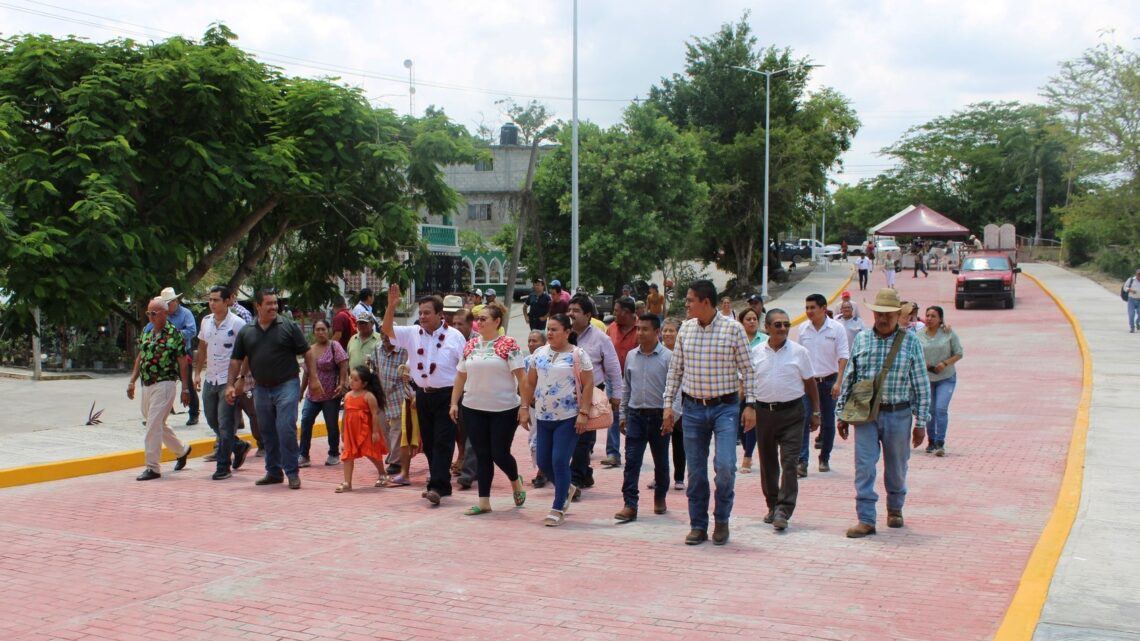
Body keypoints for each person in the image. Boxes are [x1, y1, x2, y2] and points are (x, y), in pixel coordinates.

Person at [663, 280, 757, 546]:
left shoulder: (733, 329)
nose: (687, 305)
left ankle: (722, 520)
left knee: (726, 466)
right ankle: (698, 525)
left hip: (725, 408)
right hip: (692, 409)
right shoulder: (686, 331)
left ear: (705, 302)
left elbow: (749, 370)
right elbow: (675, 371)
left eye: (690, 300)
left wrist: (751, 405)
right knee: (696, 471)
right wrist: (668, 405)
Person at [836, 288, 931, 538]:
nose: (883, 318)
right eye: (879, 313)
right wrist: (842, 414)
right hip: (865, 415)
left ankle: (895, 508)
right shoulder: (863, 339)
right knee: (864, 466)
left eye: (889, 314)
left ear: (899, 314)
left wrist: (921, 422)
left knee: (897, 467)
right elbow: (850, 377)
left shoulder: (910, 342)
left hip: (898, 414)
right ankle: (866, 518)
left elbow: (921, 383)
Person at [226, 289, 323, 490]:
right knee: (267, 430)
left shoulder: (288, 326)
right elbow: (238, 359)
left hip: (287, 384)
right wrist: (235, 382)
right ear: (258, 306)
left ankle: (292, 472)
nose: (274, 307)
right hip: (261, 387)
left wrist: (313, 379)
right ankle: (273, 472)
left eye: (275, 303)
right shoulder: (247, 331)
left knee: (285, 428)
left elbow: (307, 353)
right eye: (269, 303)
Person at [381, 284, 466, 506]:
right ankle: (443, 483)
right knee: (428, 443)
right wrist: (391, 306)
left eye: (427, 312)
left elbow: (464, 368)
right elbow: (387, 330)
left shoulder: (455, 336)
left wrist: (458, 400)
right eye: (420, 313)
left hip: (448, 395)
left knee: (443, 441)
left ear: (440, 315)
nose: (422, 316)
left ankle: (436, 486)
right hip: (423, 395)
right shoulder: (412, 333)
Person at [449, 302, 529, 515]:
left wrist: (524, 407)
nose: (479, 322)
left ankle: (515, 481)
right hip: (473, 408)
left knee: (499, 453)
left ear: (496, 321)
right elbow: (460, 375)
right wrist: (454, 402)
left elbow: (522, 378)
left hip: (504, 409)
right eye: (478, 319)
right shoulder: (471, 345)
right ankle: (484, 501)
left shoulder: (508, 344)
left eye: (484, 319)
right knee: (482, 455)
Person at [750, 309, 820, 530]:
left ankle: (784, 510)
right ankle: (772, 505)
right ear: (767, 328)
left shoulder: (800, 352)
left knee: (789, 462)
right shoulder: (755, 352)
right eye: (778, 325)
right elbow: (747, 384)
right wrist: (746, 409)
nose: (783, 329)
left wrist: (816, 412)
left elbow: (810, 384)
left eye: (786, 325)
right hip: (764, 414)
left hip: (792, 414)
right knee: (768, 463)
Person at [524, 313, 592, 526]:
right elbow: (529, 383)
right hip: (543, 417)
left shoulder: (578, 355)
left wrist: (583, 413)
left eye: (554, 329)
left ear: (567, 332)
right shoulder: (539, 354)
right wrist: (524, 407)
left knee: (560, 460)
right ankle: (567, 488)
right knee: (544, 461)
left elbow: (589, 384)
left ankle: (558, 505)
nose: (550, 333)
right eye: (548, 329)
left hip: (568, 417)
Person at [614, 314, 672, 522]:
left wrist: (671, 414)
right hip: (636, 415)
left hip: (659, 416)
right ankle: (630, 504)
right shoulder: (631, 356)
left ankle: (660, 496)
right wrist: (623, 414)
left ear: (657, 332)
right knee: (632, 461)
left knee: (661, 461)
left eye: (644, 329)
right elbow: (626, 386)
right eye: (638, 329)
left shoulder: (668, 357)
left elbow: (675, 390)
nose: (639, 333)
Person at [127, 297, 193, 480]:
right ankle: (182, 450)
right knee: (156, 423)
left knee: (152, 425)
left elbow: (182, 362)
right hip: (147, 384)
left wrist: (185, 389)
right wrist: (132, 380)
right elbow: (140, 357)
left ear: (165, 313)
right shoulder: (147, 332)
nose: (150, 317)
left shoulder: (174, 334)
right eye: (148, 313)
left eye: (154, 313)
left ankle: (153, 467)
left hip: (165, 383)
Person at [566, 295, 623, 497]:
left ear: (588, 315)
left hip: (591, 393)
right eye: (569, 309)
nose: (571, 314)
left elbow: (614, 369)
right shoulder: (563, 334)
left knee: (583, 438)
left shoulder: (601, 339)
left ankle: (575, 480)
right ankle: (586, 472)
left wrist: (616, 395)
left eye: (576, 310)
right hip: (565, 394)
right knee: (567, 438)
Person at [193, 285, 251, 480]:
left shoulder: (238, 324)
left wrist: (241, 379)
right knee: (211, 419)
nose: (212, 304)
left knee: (225, 423)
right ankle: (238, 445)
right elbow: (202, 348)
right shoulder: (206, 322)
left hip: (228, 381)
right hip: (211, 377)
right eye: (210, 300)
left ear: (227, 301)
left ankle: (222, 466)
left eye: (216, 300)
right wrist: (197, 374)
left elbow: (246, 354)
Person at [794, 293, 849, 476]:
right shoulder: (802, 329)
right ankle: (802, 461)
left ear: (823, 308)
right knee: (804, 420)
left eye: (813, 308)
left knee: (827, 422)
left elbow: (843, 357)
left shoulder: (836, 329)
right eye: (807, 308)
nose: (809, 311)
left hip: (829, 382)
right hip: (808, 384)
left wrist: (839, 383)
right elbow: (798, 357)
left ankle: (824, 456)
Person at [298, 318, 347, 468]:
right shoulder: (310, 349)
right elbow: (306, 373)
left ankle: (333, 453)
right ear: (313, 332)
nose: (320, 332)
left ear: (328, 330)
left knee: (331, 425)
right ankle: (303, 455)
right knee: (306, 421)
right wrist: (300, 393)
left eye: (323, 329)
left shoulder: (335, 346)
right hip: (312, 395)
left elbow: (343, 365)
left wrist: (342, 384)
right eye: (318, 330)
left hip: (330, 394)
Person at [335, 366, 390, 493]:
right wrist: (342, 431)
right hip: (351, 432)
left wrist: (375, 432)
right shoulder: (348, 396)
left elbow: (375, 414)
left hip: (366, 430)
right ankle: (347, 482)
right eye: (351, 378)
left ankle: (382, 473)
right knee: (347, 455)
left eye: (355, 380)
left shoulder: (369, 396)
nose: (351, 381)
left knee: (371, 453)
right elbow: (345, 415)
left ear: (364, 383)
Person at [917, 306, 963, 456]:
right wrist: (924, 364)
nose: (929, 318)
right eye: (927, 315)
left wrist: (945, 363)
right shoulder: (919, 335)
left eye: (933, 316)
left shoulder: (948, 333)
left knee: (940, 409)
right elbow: (914, 354)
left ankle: (940, 442)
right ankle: (931, 441)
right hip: (927, 379)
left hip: (946, 377)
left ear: (940, 319)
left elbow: (959, 353)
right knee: (929, 410)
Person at [601, 297, 639, 469]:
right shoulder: (611, 329)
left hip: (635, 380)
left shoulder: (641, 329)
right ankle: (613, 453)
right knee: (613, 415)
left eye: (617, 310)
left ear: (627, 312)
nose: (614, 313)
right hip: (614, 379)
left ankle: (632, 451)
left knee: (632, 415)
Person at [157, 287, 200, 425]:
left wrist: (173, 335)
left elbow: (192, 331)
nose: (167, 307)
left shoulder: (186, 313)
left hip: (182, 353)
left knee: (187, 383)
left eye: (169, 303)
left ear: (176, 301)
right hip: (165, 355)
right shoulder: (162, 314)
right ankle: (158, 415)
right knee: (162, 384)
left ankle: (194, 413)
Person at [371, 332, 409, 478]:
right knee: (383, 428)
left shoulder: (404, 349)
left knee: (398, 428)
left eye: (389, 336)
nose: (385, 339)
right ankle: (393, 455)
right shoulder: (378, 348)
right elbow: (374, 368)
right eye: (383, 335)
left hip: (399, 394)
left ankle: (396, 461)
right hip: (382, 395)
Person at [736, 307, 767, 474]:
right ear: (742, 323)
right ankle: (746, 449)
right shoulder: (736, 340)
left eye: (754, 318)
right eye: (748, 319)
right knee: (740, 423)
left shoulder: (765, 340)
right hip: (737, 386)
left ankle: (747, 456)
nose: (752, 321)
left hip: (758, 387)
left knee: (752, 421)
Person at [660, 318, 685, 491]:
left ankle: (679, 477)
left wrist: (675, 409)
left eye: (671, 331)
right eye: (665, 330)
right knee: (659, 445)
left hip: (680, 405)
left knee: (679, 442)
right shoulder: (658, 352)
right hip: (659, 405)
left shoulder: (682, 353)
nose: (668, 334)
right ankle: (660, 477)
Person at [525, 330, 547, 488]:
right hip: (532, 407)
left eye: (535, 341)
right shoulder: (526, 361)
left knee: (543, 440)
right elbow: (523, 384)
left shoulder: (548, 360)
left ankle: (543, 471)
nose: (531, 344)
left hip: (549, 407)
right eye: (529, 341)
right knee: (533, 440)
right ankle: (543, 469)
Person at [1125, 268, 1140, 333]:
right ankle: (1132, 327)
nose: (1139, 276)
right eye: (1138, 274)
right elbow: (1125, 287)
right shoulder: (1131, 280)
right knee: (1131, 314)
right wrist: (1130, 290)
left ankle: (1137, 322)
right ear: (1136, 274)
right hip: (1131, 299)